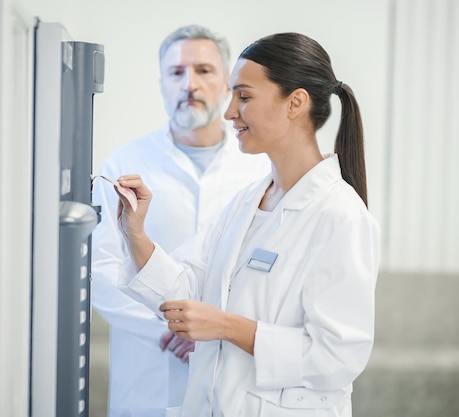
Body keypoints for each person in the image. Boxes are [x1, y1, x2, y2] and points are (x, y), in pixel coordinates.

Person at [113, 32, 381, 417]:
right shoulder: (246, 202)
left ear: (296, 103)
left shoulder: (340, 216)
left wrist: (227, 326)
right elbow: (190, 291)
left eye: (244, 96)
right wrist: (135, 234)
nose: (229, 112)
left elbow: (336, 357)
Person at [90, 25, 269, 417]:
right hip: (147, 371)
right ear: (162, 84)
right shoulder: (124, 163)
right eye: (176, 72)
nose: (189, 83)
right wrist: (174, 327)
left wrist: (215, 328)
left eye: (204, 70)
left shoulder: (259, 169)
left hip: (233, 368)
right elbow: (99, 270)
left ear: (226, 83)